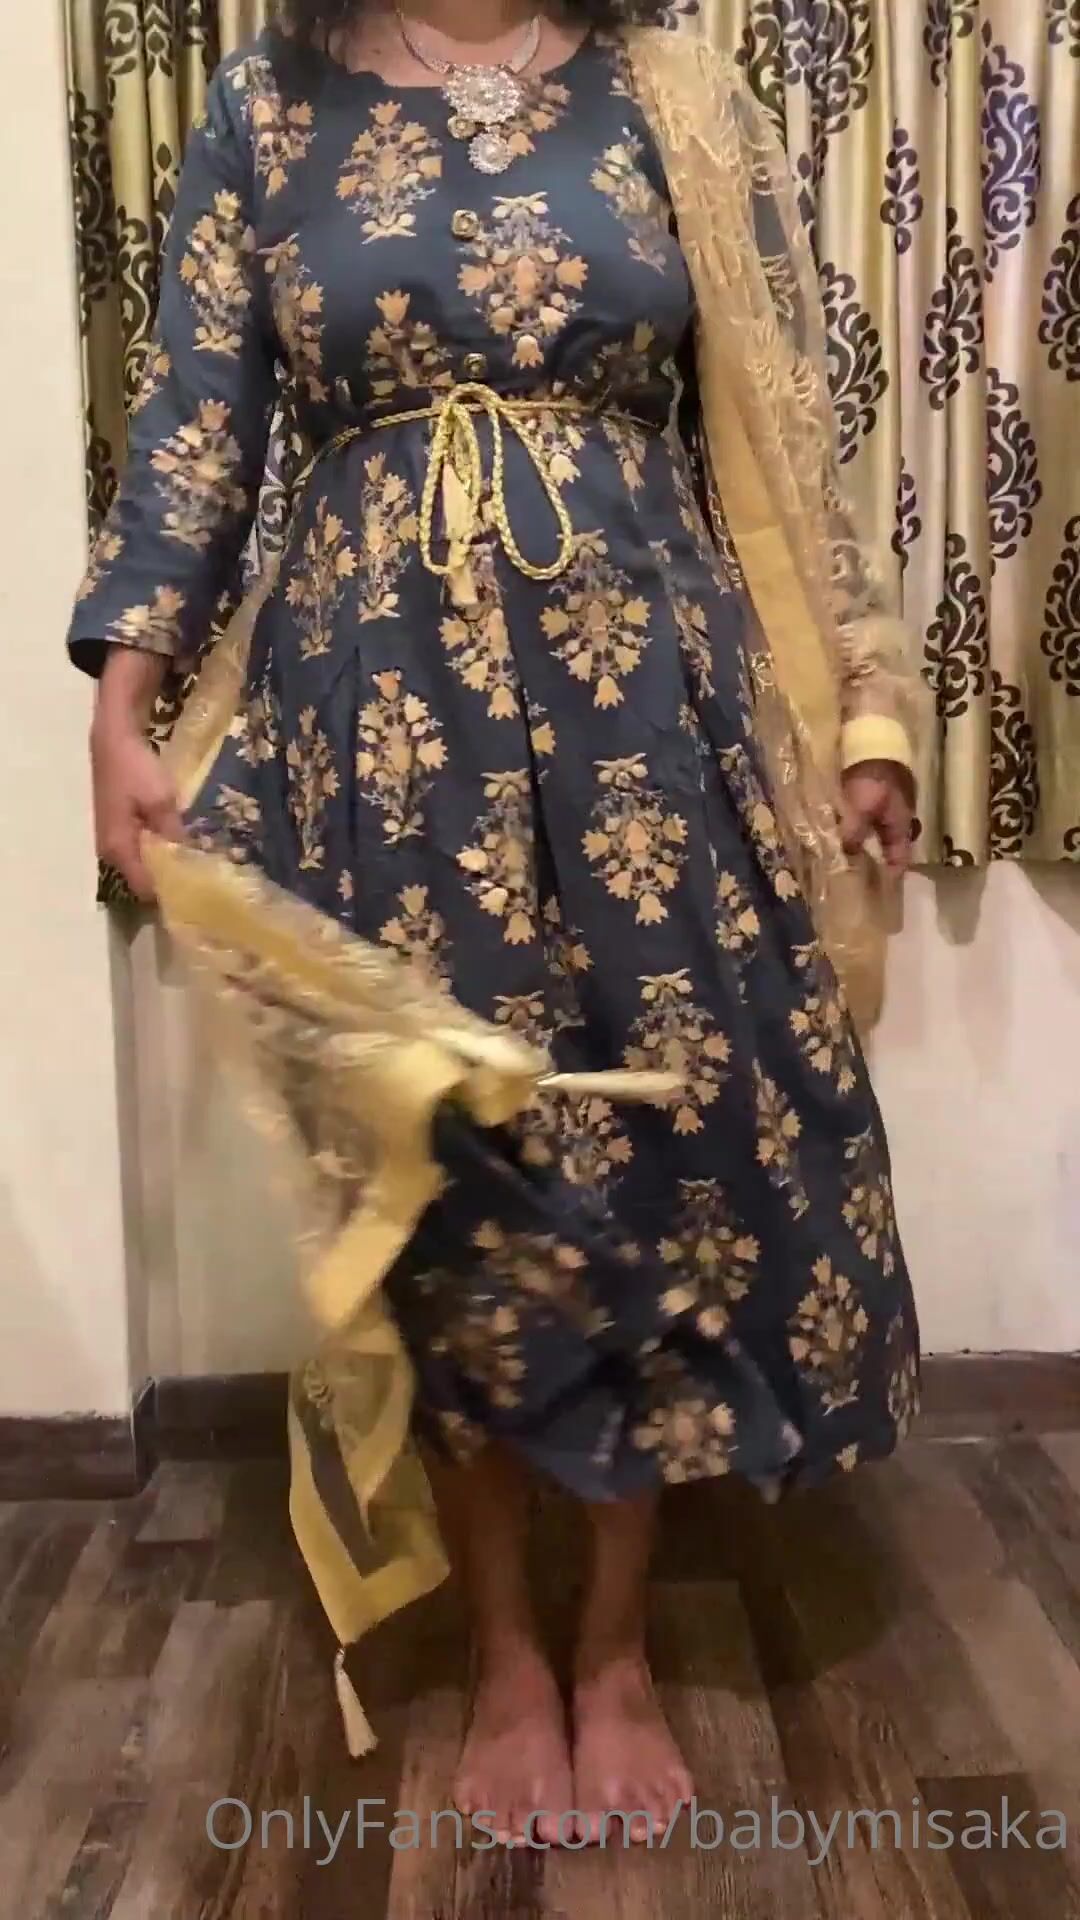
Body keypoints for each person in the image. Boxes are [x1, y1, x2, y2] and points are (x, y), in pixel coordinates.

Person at [71, 0, 921, 1848]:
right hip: (380, 716)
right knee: (452, 1176)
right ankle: (509, 1651)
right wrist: (124, 702)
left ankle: (613, 1650)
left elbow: (786, 420)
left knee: (648, 1157)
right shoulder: (269, 100)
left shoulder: (669, 87)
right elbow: (198, 427)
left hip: (649, 703)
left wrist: (864, 705)